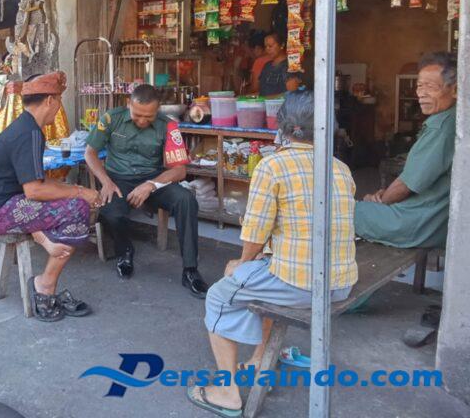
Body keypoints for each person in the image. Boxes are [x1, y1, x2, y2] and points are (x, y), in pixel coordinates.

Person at [188, 91, 357, 416]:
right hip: (341, 283)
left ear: (285, 128)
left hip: (303, 285)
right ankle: (258, 360)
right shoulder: (340, 168)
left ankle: (227, 393)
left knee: (221, 294)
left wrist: (241, 263)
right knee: (262, 273)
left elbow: (255, 233)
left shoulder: (273, 165)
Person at [0, 72, 101, 322]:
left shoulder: (27, 127)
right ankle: (45, 285)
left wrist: (71, 188)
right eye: (59, 100)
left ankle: (47, 243)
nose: (59, 106)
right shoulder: (29, 133)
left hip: (3, 204)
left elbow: (36, 182)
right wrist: (80, 192)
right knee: (78, 209)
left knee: (67, 199)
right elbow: (34, 191)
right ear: (50, 100)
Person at [84, 85, 208, 298]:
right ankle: (124, 251)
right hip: (118, 180)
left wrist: (150, 184)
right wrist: (105, 182)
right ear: (128, 105)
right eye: (137, 115)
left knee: (186, 200)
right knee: (111, 212)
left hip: (153, 180)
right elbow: (90, 153)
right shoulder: (111, 119)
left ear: (157, 109)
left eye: (148, 117)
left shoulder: (168, 126)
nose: (142, 121)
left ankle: (190, 270)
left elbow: (180, 171)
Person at [355, 52, 457, 249]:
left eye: (430, 87)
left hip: (416, 224)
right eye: (419, 86)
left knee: (339, 210)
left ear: (454, 90)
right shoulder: (452, 118)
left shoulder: (441, 128)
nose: (421, 93)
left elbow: (405, 186)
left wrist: (379, 202)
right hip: (433, 221)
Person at [246, 29, 271, 95]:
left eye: (251, 50)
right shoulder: (278, 58)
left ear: (257, 48)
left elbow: (255, 87)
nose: (251, 53)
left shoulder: (259, 62)